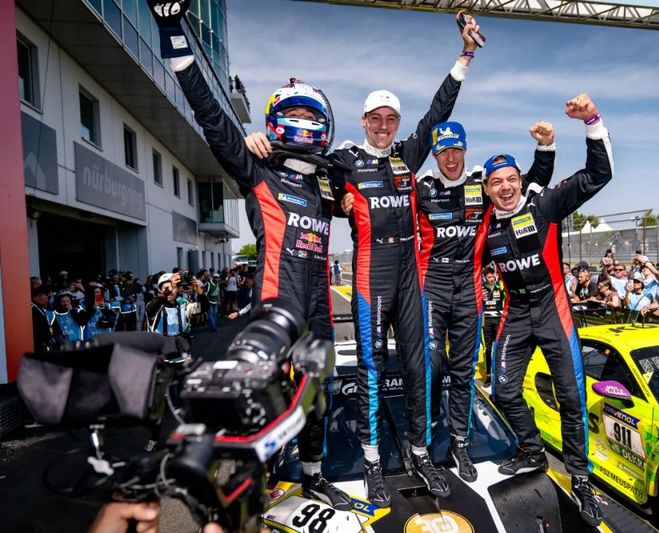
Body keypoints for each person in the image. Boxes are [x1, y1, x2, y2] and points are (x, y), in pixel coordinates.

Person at [270, 11, 482, 506]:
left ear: (397, 124)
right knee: (370, 368)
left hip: (410, 276)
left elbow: (439, 109)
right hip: (370, 273)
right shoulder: (344, 160)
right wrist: (262, 142)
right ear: (364, 122)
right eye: (376, 119)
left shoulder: (409, 154)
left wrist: (465, 56)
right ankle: (370, 460)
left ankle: (419, 452)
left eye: (391, 119)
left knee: (419, 366)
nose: (384, 126)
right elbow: (297, 159)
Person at [147, 0, 350, 511]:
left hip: (320, 313)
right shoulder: (258, 171)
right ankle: (257, 484)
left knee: (318, 399)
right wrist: (172, 29)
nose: (303, 122)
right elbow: (211, 117)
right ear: (276, 120)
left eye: (311, 115)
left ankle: (312, 476)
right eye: (294, 114)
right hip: (276, 309)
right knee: (264, 400)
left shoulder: (331, 180)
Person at [481, 93, 611, 526]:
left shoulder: (545, 204)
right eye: (496, 182)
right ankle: (532, 449)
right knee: (503, 391)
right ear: (487, 189)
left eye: (510, 179)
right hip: (515, 312)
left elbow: (599, 174)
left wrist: (591, 122)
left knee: (571, 399)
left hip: (553, 307)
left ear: (520, 181)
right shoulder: (485, 224)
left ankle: (581, 478)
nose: (504, 187)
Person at [412, 119, 555, 482]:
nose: (451, 159)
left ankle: (460, 441)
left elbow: (528, 184)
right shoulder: (422, 187)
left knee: (463, 372)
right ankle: (424, 435)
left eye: (456, 151)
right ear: (435, 155)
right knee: (432, 364)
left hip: (469, 287)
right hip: (433, 285)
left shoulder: (482, 183)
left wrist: (545, 148)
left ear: (465, 150)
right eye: (443, 152)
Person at [482, 267, 505, 389]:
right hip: (486, 321)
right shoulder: (481, 288)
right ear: (485, 278)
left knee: (500, 348)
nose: (491, 279)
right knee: (487, 349)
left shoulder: (500, 286)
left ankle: (501, 374)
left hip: (498, 320)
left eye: (493, 276)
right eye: (489, 277)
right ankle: (488, 376)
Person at [31, 284, 59, 352]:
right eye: (49, 297)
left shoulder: (38, 308)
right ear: (42, 295)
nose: (48, 301)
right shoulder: (32, 308)